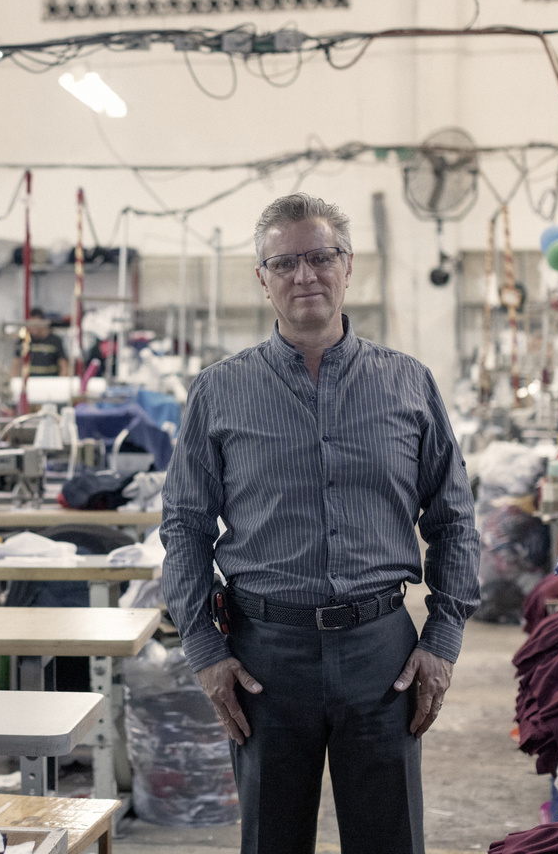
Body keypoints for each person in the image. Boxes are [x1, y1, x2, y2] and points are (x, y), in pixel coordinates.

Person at [160, 193, 480, 854]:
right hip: (264, 659)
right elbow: (185, 527)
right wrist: (205, 649)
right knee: (272, 842)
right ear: (263, 278)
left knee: (389, 840)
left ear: (347, 265)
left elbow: (455, 520)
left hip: (382, 655)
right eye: (284, 263)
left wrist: (442, 638)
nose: (304, 275)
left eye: (319, 256)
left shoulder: (408, 384)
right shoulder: (220, 391)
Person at [10, 308, 70, 377]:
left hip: (51, 383)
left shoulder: (56, 341)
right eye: (31, 325)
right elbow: (16, 364)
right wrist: (14, 382)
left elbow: (63, 365)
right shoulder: (24, 341)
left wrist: (61, 383)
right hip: (30, 382)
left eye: (36, 325)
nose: (33, 328)